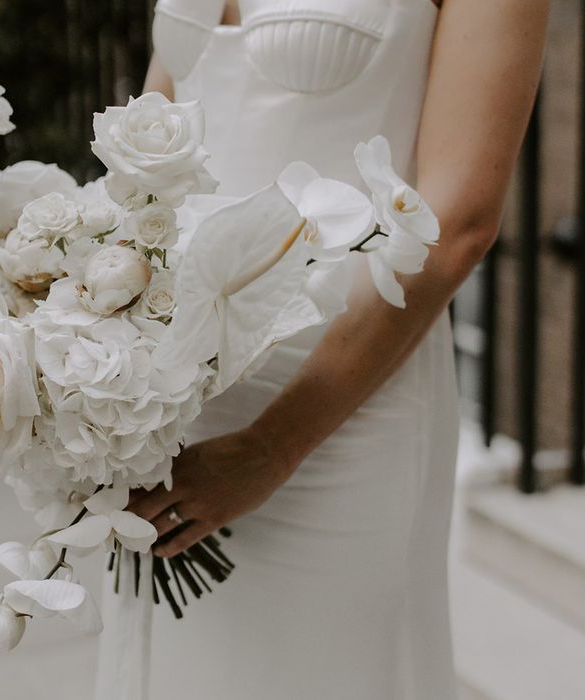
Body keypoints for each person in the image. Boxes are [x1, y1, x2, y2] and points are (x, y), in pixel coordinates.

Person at [123, 0, 549, 697]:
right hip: (171, 400)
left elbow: (458, 224)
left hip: (342, 413)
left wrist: (271, 448)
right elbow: (148, 146)